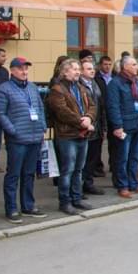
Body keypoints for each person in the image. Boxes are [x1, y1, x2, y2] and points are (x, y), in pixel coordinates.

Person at [0, 57, 48, 222]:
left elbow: (39, 107)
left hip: (34, 137)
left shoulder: (32, 87)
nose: (24, 72)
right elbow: (0, 113)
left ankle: (28, 206)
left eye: (26, 69)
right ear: (12, 70)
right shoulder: (3, 89)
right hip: (17, 139)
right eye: (20, 69)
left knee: (29, 174)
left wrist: (42, 126)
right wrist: (12, 130)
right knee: (14, 174)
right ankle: (11, 209)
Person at [47, 58, 96, 214]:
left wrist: (89, 117)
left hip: (82, 134)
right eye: (74, 69)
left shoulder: (80, 87)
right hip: (67, 135)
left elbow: (93, 105)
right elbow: (62, 112)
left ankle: (77, 198)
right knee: (67, 170)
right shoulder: (57, 89)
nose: (77, 72)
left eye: (78, 69)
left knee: (78, 169)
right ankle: (65, 202)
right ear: (65, 71)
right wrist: (81, 122)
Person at [105, 55, 138, 198]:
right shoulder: (115, 83)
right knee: (122, 158)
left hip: (137, 124)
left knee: (135, 157)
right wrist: (117, 126)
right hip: (125, 126)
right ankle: (123, 186)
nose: (136, 67)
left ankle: (134, 183)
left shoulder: (136, 82)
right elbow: (113, 106)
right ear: (125, 66)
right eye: (133, 65)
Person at [79, 59, 106, 195]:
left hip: (97, 127)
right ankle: (79, 186)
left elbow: (101, 107)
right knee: (82, 160)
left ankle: (88, 183)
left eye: (92, 68)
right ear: (81, 71)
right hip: (85, 127)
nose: (92, 70)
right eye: (88, 69)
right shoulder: (79, 85)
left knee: (93, 158)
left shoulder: (95, 84)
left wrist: (104, 127)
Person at [96, 55, 115, 181]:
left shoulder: (114, 78)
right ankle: (97, 167)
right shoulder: (97, 78)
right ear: (100, 65)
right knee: (99, 141)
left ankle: (113, 164)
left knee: (114, 141)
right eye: (105, 64)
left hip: (112, 111)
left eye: (109, 64)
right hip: (101, 112)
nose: (107, 67)